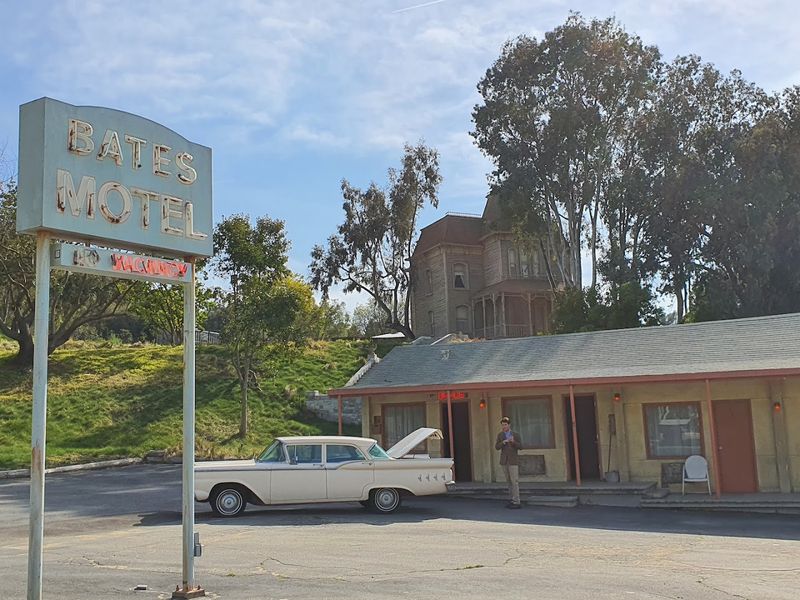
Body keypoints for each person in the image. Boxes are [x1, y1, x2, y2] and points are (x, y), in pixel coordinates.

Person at [495, 416, 522, 508]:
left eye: (505, 425)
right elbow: (497, 447)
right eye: (502, 425)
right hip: (504, 461)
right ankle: (512, 499)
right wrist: (503, 442)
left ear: (509, 425)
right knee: (509, 481)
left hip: (513, 461)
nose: (504, 427)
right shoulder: (500, 435)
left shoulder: (515, 434)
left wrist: (513, 442)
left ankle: (517, 501)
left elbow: (521, 446)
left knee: (514, 481)